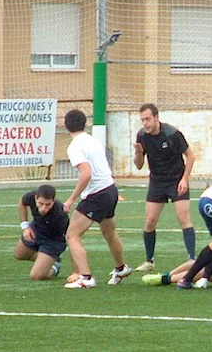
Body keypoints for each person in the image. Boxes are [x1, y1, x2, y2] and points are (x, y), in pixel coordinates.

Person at [62, 109, 132, 288]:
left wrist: (71, 199)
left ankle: (85, 278)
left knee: (72, 235)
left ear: (66, 125)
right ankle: (121, 267)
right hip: (110, 190)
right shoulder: (93, 140)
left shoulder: (74, 146)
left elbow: (86, 174)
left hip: (97, 194)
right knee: (109, 233)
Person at [134, 103, 196, 272]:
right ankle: (149, 261)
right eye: (142, 120)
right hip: (157, 182)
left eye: (148, 119)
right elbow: (139, 165)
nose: (145, 123)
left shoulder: (172, 134)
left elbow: (190, 156)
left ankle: (192, 259)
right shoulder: (141, 136)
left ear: (156, 118)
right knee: (150, 221)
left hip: (176, 180)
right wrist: (139, 153)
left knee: (184, 219)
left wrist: (185, 179)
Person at [14, 184, 68, 280]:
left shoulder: (60, 214)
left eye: (48, 205)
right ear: (36, 198)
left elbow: (68, 237)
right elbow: (22, 203)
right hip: (36, 229)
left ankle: (54, 267)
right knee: (19, 254)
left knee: (36, 276)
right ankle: (48, 261)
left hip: (53, 241)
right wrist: (25, 227)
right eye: (41, 203)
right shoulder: (31, 196)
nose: (44, 208)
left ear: (53, 201)